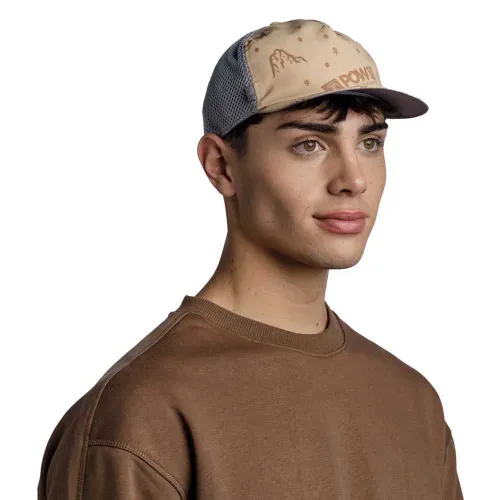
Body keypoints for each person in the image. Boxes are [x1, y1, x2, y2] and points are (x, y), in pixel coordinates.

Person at [37, 18, 464, 499]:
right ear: (221, 165)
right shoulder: (142, 417)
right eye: (309, 145)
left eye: (370, 143)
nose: (354, 179)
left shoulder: (412, 402)